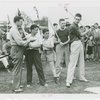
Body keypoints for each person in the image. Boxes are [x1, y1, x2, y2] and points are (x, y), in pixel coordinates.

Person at [10, 16, 32, 92]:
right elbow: (19, 42)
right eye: (21, 21)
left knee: (19, 68)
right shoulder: (14, 30)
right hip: (17, 49)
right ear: (16, 21)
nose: (22, 23)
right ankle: (16, 88)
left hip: (18, 49)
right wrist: (28, 41)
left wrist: (30, 36)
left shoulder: (18, 29)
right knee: (17, 69)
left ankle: (17, 84)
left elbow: (24, 37)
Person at [66, 13, 88, 88]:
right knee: (72, 62)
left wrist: (84, 32)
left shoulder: (77, 26)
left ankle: (81, 77)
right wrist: (87, 31)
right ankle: (68, 81)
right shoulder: (72, 26)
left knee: (81, 61)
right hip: (74, 44)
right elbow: (81, 35)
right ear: (74, 18)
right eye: (76, 19)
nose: (77, 20)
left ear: (80, 19)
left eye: (79, 19)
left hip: (79, 42)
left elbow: (80, 36)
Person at [55, 18, 70, 83]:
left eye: (64, 23)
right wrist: (58, 42)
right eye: (62, 23)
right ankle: (57, 76)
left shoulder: (67, 30)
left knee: (68, 61)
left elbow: (69, 39)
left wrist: (64, 43)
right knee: (58, 61)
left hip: (66, 46)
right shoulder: (57, 31)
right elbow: (54, 41)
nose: (64, 24)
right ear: (59, 23)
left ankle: (70, 76)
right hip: (59, 47)